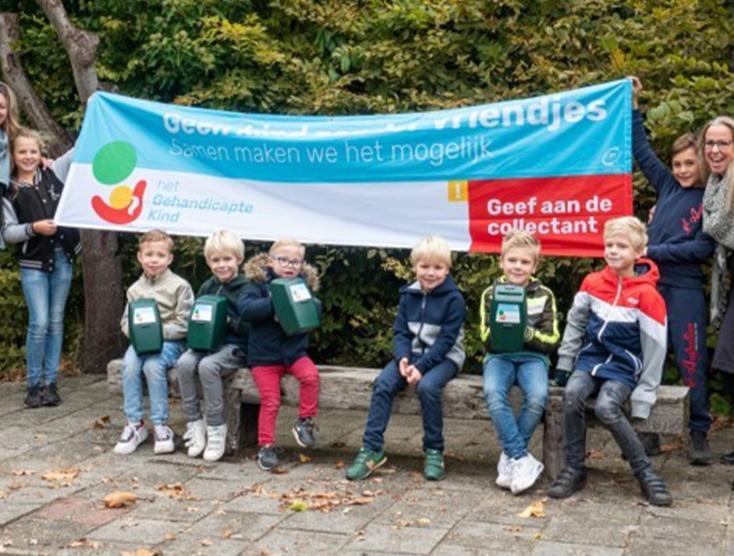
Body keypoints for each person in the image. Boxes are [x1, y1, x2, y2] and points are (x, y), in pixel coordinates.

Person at [548, 217, 672, 507]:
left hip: (623, 367)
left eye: (621, 246)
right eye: (609, 245)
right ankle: (575, 469)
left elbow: (655, 349)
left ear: (639, 252)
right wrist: (566, 362)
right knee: (572, 395)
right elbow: (575, 324)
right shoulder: (592, 283)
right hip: (589, 361)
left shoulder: (647, 295)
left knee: (606, 407)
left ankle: (645, 473)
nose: (613, 251)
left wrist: (645, 392)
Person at [631, 76, 715, 464]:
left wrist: (653, 249)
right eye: (677, 164)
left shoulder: (714, 197)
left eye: (688, 164)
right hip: (649, 289)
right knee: (650, 359)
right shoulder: (666, 186)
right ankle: (648, 431)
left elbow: (703, 247)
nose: (682, 170)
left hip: (684, 292)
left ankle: (698, 433)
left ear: (702, 163)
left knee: (691, 361)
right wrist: (633, 108)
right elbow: (642, 151)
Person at [346, 235, 466, 482]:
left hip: (444, 357)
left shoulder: (454, 299)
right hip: (410, 355)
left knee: (428, 387)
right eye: (424, 267)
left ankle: (434, 451)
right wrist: (402, 358)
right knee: (383, 384)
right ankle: (371, 449)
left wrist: (421, 367)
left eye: (437, 267)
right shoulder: (408, 295)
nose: (430, 273)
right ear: (415, 267)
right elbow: (400, 331)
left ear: (447, 269)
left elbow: (445, 342)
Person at [1, 127, 79, 408]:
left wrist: (96, 110)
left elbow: (79, 151)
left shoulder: (54, 171)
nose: (28, 156)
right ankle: (34, 385)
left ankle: (51, 382)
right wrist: (33, 229)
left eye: (33, 151)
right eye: (22, 151)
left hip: (61, 257)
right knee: (40, 323)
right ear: (12, 154)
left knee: (56, 322)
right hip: (32, 263)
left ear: (41, 153)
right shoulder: (9, 190)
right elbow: (8, 233)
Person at [480, 230, 559, 494]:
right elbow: (485, 339)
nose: (517, 266)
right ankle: (522, 458)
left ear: (534, 266)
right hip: (499, 357)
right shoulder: (490, 294)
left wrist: (526, 334)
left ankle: (511, 456)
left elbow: (551, 339)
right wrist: (504, 331)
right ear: (501, 261)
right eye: (512, 260)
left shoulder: (545, 294)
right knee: (493, 392)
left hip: (533, 358)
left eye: (525, 262)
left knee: (538, 395)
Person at [241, 238, 321, 471]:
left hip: (294, 353)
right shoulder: (257, 284)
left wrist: (302, 307)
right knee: (271, 400)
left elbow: (316, 309)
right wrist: (276, 305)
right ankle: (266, 446)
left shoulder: (301, 284)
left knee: (311, 377)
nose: (289, 265)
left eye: (295, 261)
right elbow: (246, 310)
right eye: (283, 260)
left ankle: (304, 422)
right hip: (264, 358)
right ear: (270, 261)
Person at [114, 229, 194, 455]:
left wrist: (157, 333)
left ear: (169, 258)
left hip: (170, 342)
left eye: (160, 255)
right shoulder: (134, 290)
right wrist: (137, 333)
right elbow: (125, 322)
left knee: (153, 366)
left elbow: (185, 323)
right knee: (129, 366)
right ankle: (135, 424)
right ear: (140, 256)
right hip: (140, 342)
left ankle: (161, 425)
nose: (154, 260)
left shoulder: (180, 286)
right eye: (149, 254)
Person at [174, 230, 249, 462]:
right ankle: (195, 423)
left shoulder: (247, 288)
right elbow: (197, 318)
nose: (222, 265)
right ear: (208, 262)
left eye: (227, 259)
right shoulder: (207, 286)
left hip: (234, 347)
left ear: (238, 259)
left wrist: (228, 321)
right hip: (206, 344)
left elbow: (252, 327)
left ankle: (216, 428)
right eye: (216, 260)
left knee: (208, 366)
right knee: (184, 363)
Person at [699, 115, 734, 463]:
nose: (715, 149)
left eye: (723, 142)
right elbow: (708, 225)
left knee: (726, 359)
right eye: (710, 143)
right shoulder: (715, 185)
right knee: (725, 362)